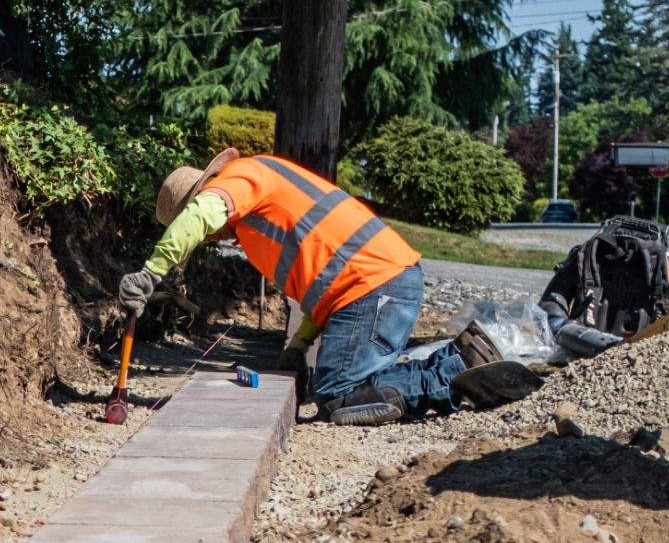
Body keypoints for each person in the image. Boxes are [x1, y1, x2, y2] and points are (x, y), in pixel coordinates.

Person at [117, 148, 540, 425]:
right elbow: (319, 290)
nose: (215, 238)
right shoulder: (257, 216)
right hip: (375, 285)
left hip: (374, 286)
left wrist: (152, 271)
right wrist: (299, 347)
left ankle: (455, 368)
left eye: (211, 235)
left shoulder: (241, 177)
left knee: (339, 396)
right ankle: (459, 361)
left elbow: (202, 213)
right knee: (342, 385)